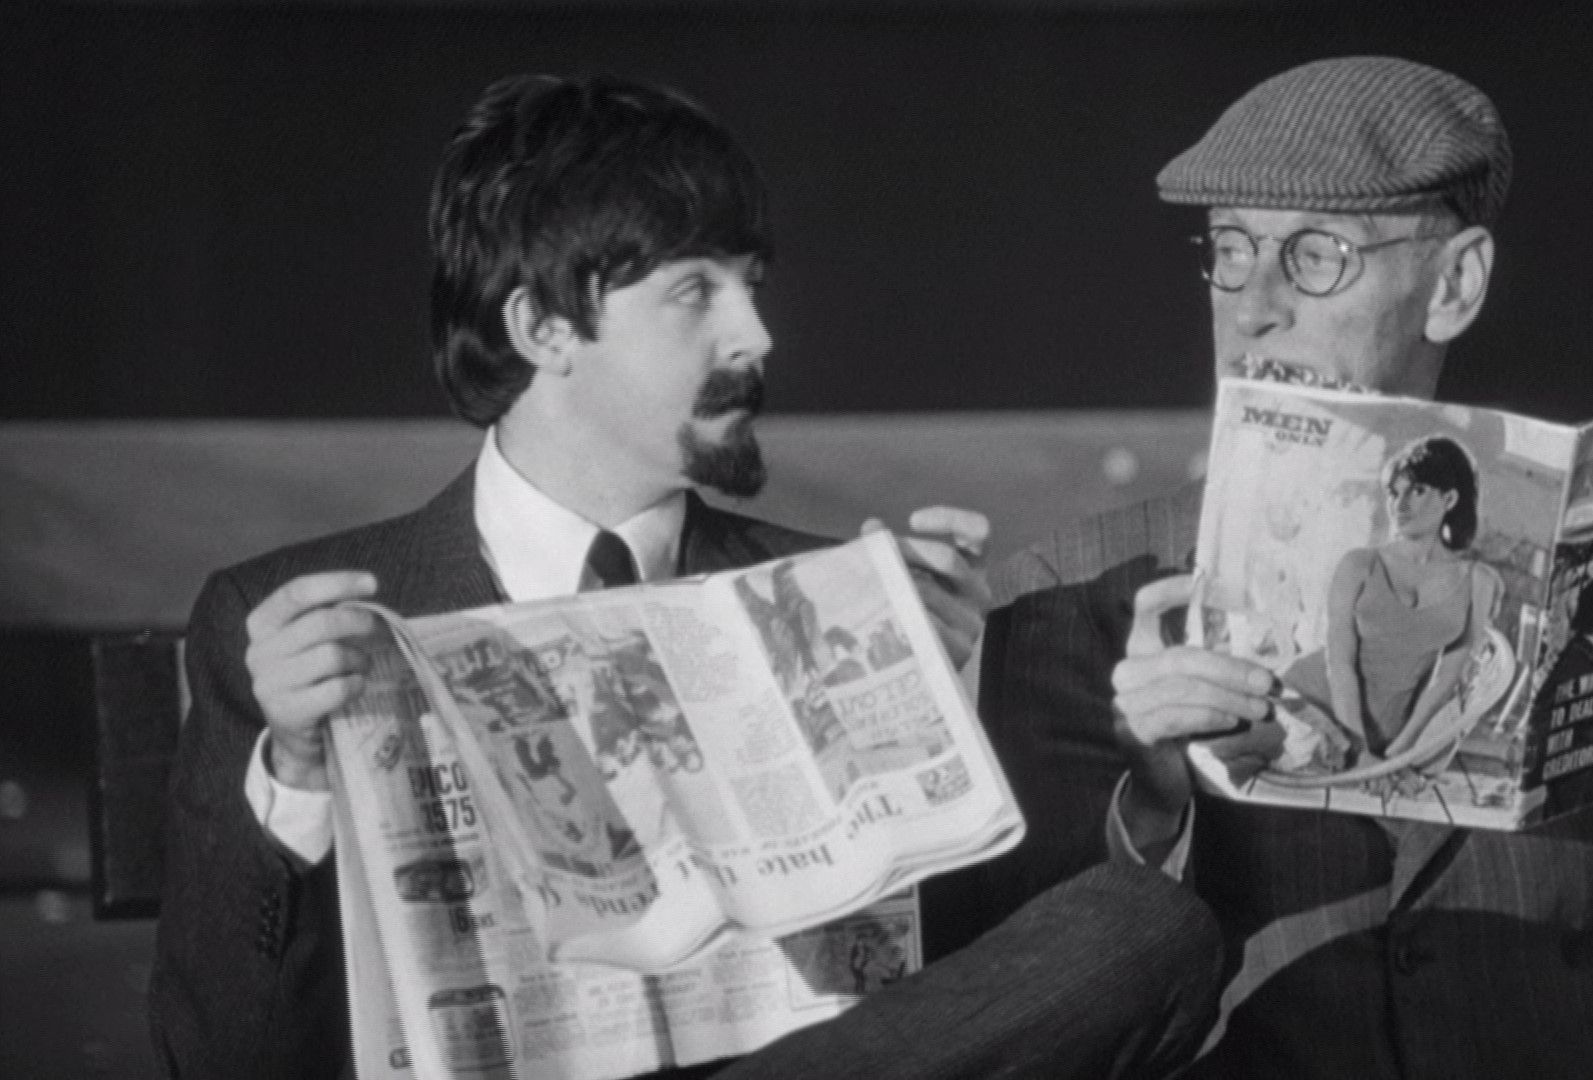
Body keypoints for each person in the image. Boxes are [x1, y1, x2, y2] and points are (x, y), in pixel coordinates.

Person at [149, 73, 1222, 1080]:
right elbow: (216, 1058)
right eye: (693, 291)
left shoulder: (823, 594)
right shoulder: (297, 624)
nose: (756, 334)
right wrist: (294, 778)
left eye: (750, 285)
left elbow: (974, 999)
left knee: (1145, 929)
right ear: (543, 326)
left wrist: (989, 734)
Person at [979, 56, 1593, 1079]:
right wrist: (1153, 810)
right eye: (1230, 249)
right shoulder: (1075, 591)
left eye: (1315, 255)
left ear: (1453, 285)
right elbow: (1005, 1021)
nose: (1252, 306)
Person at [1282, 436, 1503, 766]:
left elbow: (1447, 679)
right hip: (1315, 705)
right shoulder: (1358, 565)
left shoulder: (1478, 581)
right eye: (1394, 493)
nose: (1400, 504)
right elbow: (1339, 664)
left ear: (1450, 498)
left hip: (1393, 729)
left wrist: (1400, 748)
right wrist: (1358, 748)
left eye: (1417, 491)